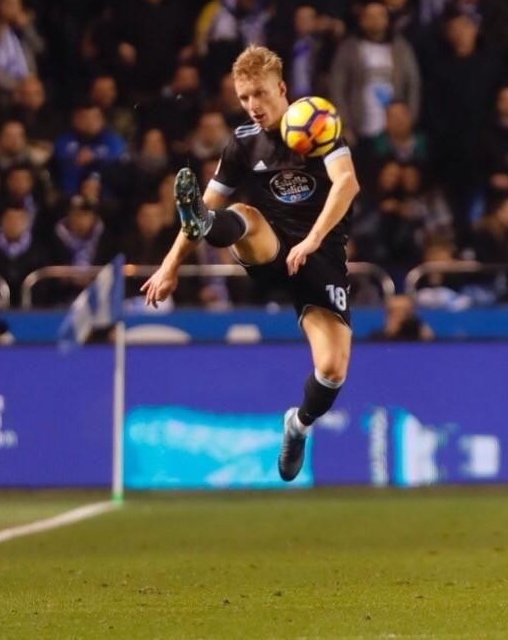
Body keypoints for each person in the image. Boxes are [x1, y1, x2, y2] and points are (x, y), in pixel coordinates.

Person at [140, 45, 360, 483]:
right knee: (243, 216)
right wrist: (169, 267)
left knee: (333, 370)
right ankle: (210, 225)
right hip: (269, 247)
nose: (252, 106)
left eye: (259, 94)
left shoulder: (319, 126)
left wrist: (314, 240)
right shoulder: (242, 144)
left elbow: (347, 184)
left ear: (281, 88)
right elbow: (208, 202)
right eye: (244, 98)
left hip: (320, 260)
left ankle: (297, 426)